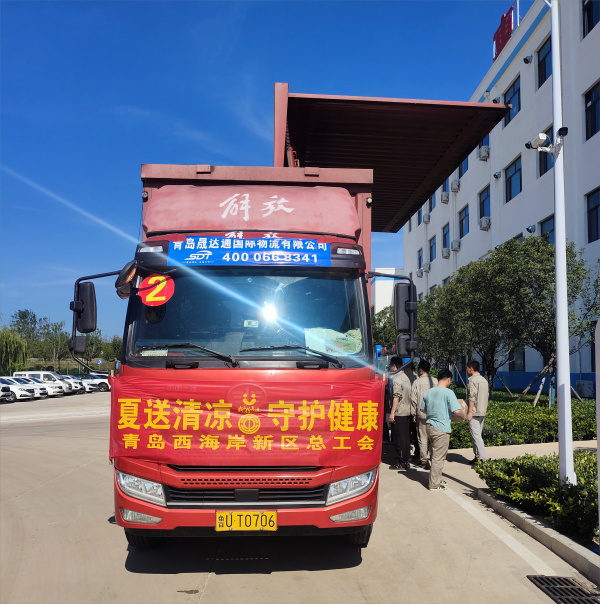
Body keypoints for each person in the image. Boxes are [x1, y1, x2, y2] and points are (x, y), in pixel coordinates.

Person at [420, 368, 465, 490]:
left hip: (430, 426)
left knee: (435, 454)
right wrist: (464, 415)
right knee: (438, 457)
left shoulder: (429, 392)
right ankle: (434, 484)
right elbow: (457, 410)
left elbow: (422, 409)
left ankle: (437, 478)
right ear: (449, 379)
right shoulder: (448, 393)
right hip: (441, 428)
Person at [388, 359, 416, 471]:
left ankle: (401, 462)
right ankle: (406, 459)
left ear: (394, 366)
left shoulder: (397, 378)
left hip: (399, 412)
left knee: (399, 438)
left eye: (390, 365)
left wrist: (392, 413)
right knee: (405, 437)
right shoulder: (405, 377)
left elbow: (396, 397)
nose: (389, 367)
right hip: (407, 411)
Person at [411, 360, 438, 468]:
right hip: (435, 414)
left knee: (422, 437)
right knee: (433, 438)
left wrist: (413, 414)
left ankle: (424, 461)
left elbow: (413, 400)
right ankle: (433, 458)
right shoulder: (435, 381)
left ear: (421, 370)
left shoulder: (417, 382)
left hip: (421, 414)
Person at [466, 360, 489, 463]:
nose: (466, 370)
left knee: (476, 436)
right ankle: (477, 457)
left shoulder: (473, 380)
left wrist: (469, 412)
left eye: (467, 368)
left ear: (471, 368)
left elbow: (472, 397)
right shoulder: (484, 380)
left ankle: (482, 458)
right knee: (476, 435)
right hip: (482, 411)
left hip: (474, 412)